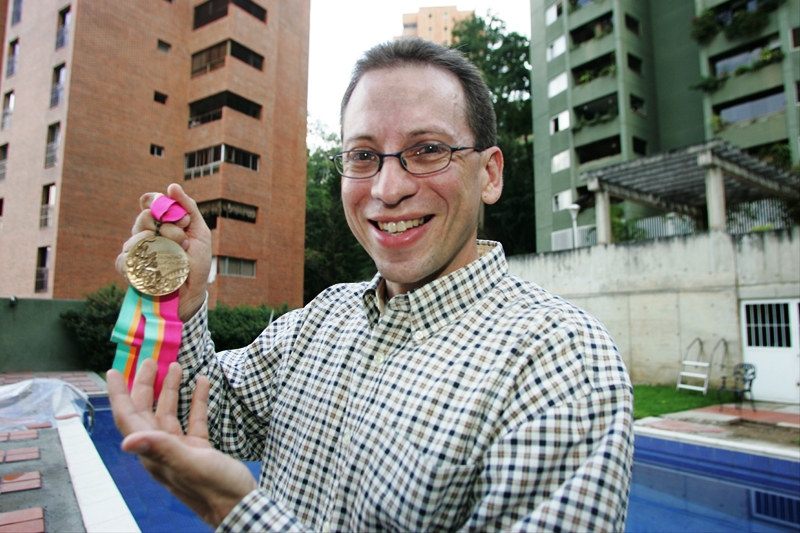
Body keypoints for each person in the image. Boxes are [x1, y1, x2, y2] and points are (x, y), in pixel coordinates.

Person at [109, 38, 633, 532]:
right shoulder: (320, 321)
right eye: (362, 156)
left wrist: (235, 512)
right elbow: (208, 415)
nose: (387, 188)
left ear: (489, 175)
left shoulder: (561, 360)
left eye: (428, 149)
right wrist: (178, 299)